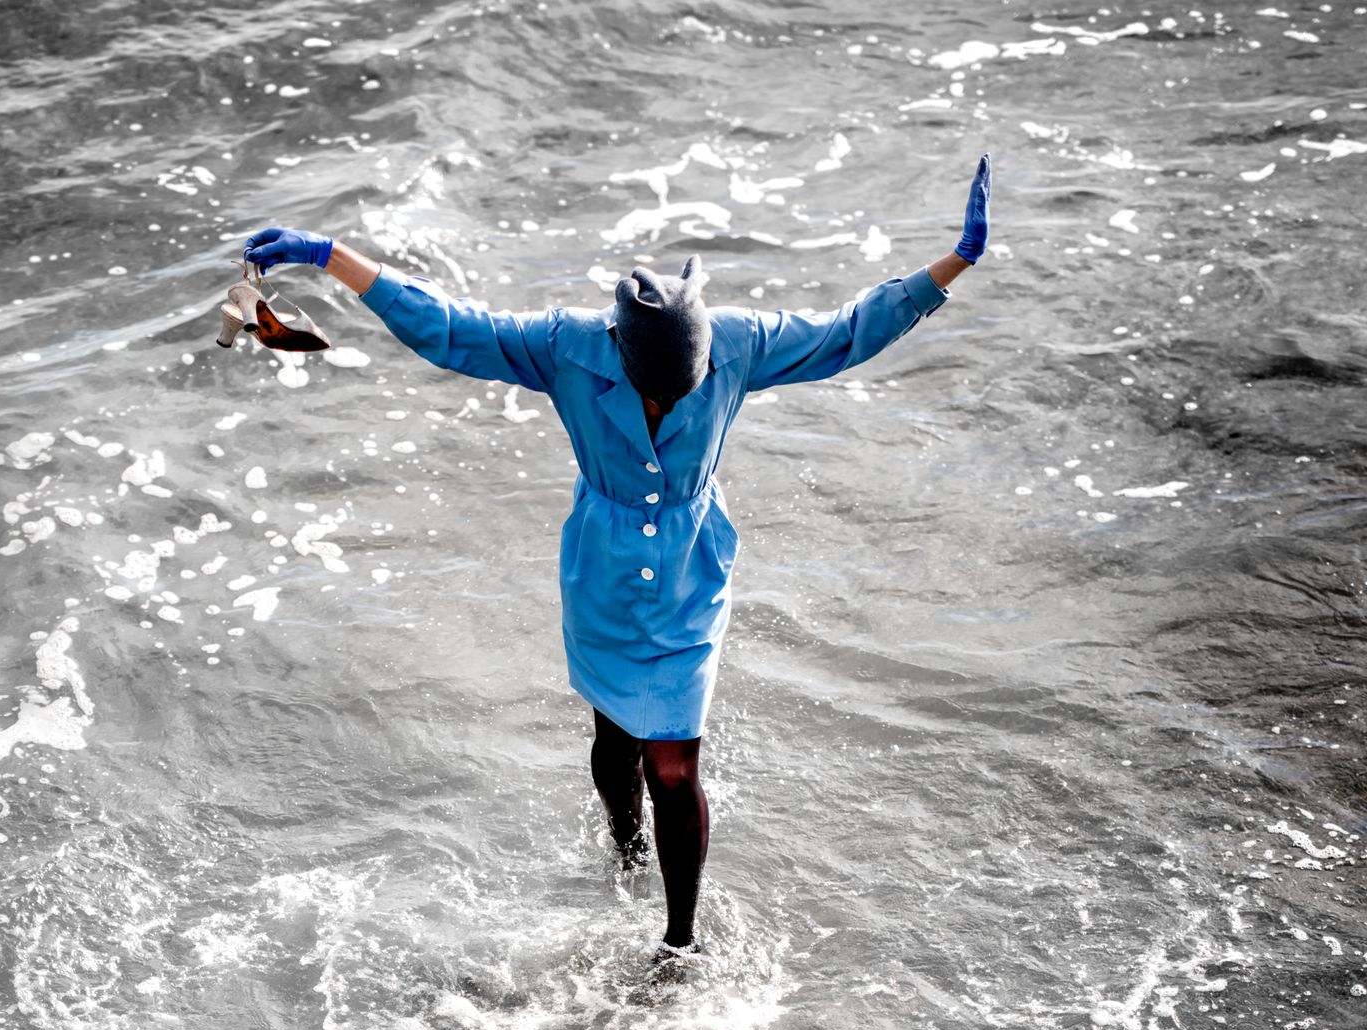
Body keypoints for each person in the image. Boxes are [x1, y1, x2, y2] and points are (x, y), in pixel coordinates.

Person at [243, 156, 991, 957]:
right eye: (655, 394)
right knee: (615, 740)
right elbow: (450, 329)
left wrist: (954, 262)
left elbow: (848, 330)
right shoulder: (567, 346)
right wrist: (330, 257)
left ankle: (679, 942)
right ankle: (622, 848)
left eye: (684, 389)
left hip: (688, 575)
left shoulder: (736, 344)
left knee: (673, 764)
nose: (669, 404)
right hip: (600, 571)